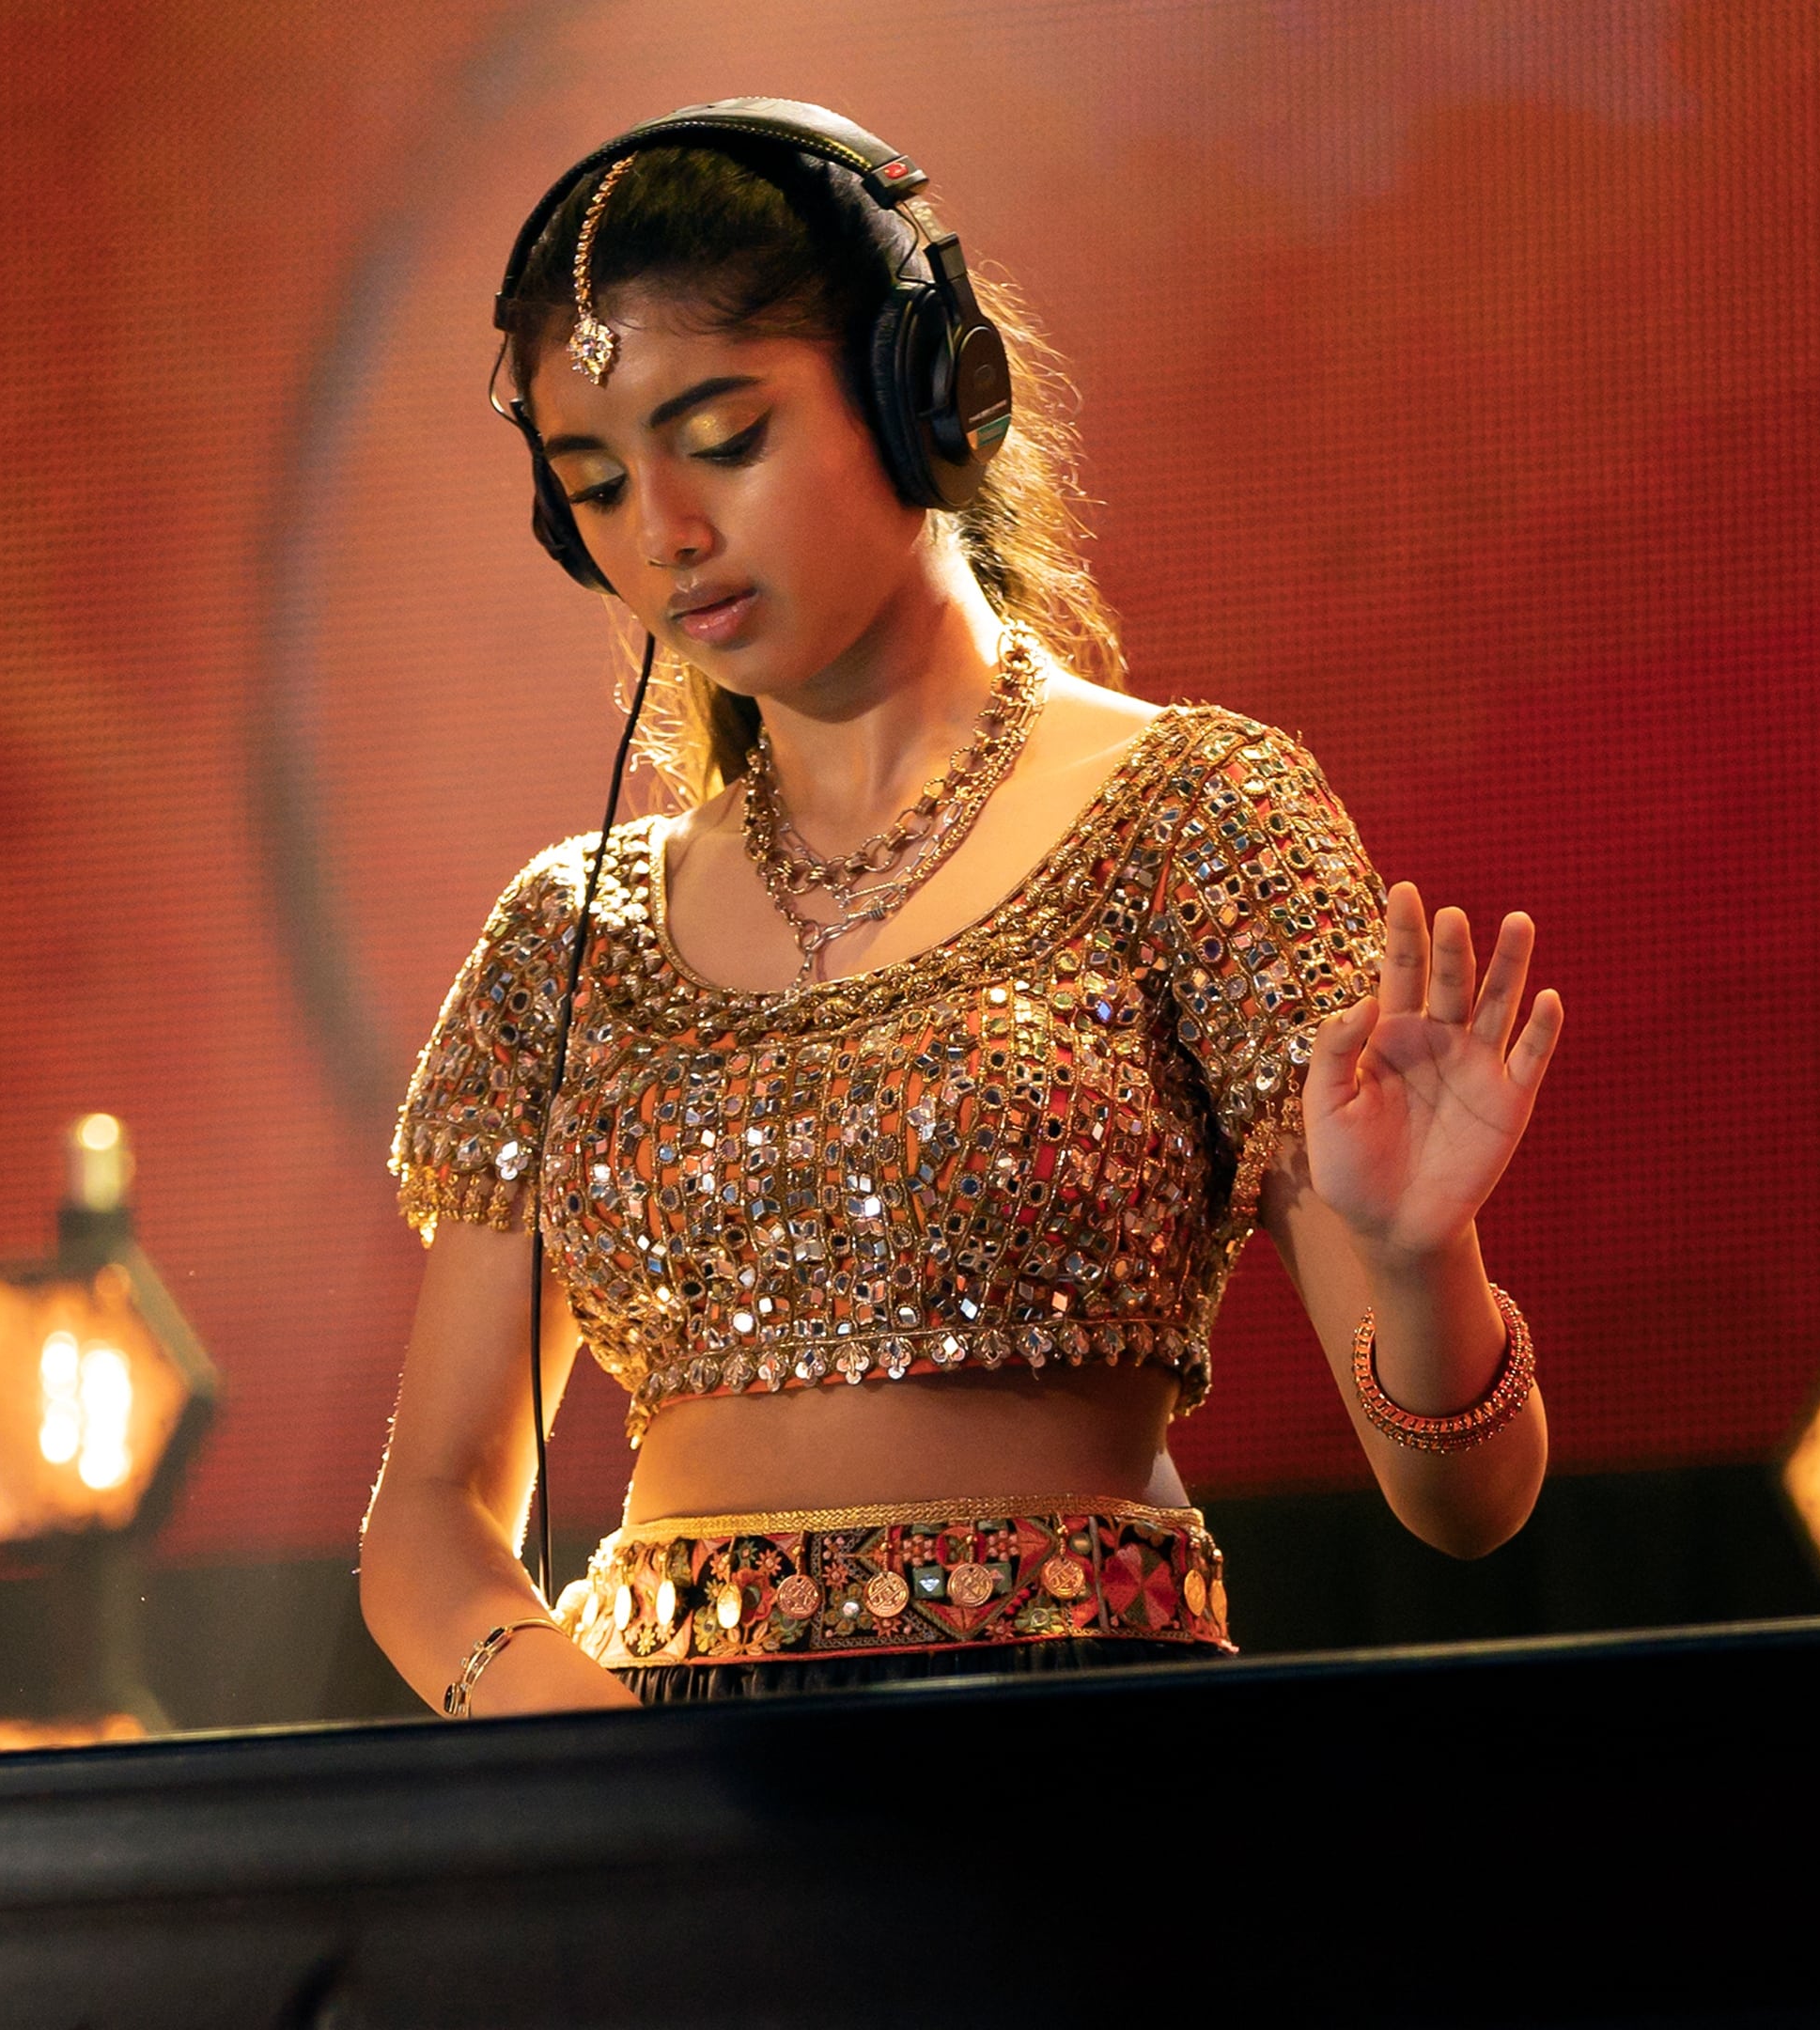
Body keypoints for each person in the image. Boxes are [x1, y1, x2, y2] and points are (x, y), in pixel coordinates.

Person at [361, 102, 1562, 1715]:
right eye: (592, 486)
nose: (663, 535)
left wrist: (1423, 1267)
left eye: (724, 439)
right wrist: (590, 1750)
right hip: (665, 1796)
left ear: (921, 395)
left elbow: (1467, 1505)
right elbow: (429, 1518)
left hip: (1060, 1774)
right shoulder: (571, 937)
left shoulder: (1192, 819)